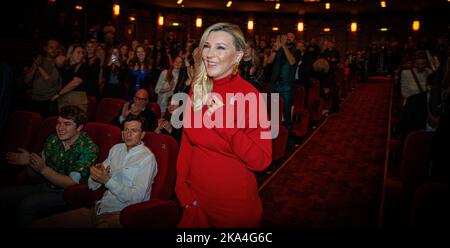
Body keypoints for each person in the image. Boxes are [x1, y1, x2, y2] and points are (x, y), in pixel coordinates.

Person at [175, 22, 272, 228]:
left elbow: (262, 161)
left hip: (234, 208)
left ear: (237, 56)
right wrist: (182, 190)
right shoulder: (198, 88)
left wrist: (226, 124)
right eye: (207, 46)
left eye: (220, 47)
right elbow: (187, 142)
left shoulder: (251, 96)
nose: (209, 54)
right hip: (196, 201)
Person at [32, 115, 158, 228]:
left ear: (142, 134)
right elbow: (92, 185)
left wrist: (107, 180)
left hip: (121, 214)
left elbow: (137, 198)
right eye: (126, 130)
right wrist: (95, 175)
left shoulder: (147, 158)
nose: (128, 134)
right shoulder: (116, 149)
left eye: (134, 131)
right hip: (99, 208)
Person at [0, 105, 99, 227]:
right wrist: (30, 163)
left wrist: (43, 169)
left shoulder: (89, 148)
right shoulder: (53, 139)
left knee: (28, 204)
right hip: (44, 185)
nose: (60, 128)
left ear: (79, 127)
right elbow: (34, 176)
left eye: (67, 124)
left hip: (67, 194)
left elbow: (71, 183)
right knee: (5, 196)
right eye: (58, 123)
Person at [24, 39, 61, 117]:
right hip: (34, 100)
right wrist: (34, 66)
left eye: (56, 47)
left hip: (49, 102)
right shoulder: (39, 60)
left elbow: (51, 82)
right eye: (51, 47)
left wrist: (39, 66)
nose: (54, 50)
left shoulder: (58, 63)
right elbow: (27, 80)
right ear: (45, 48)